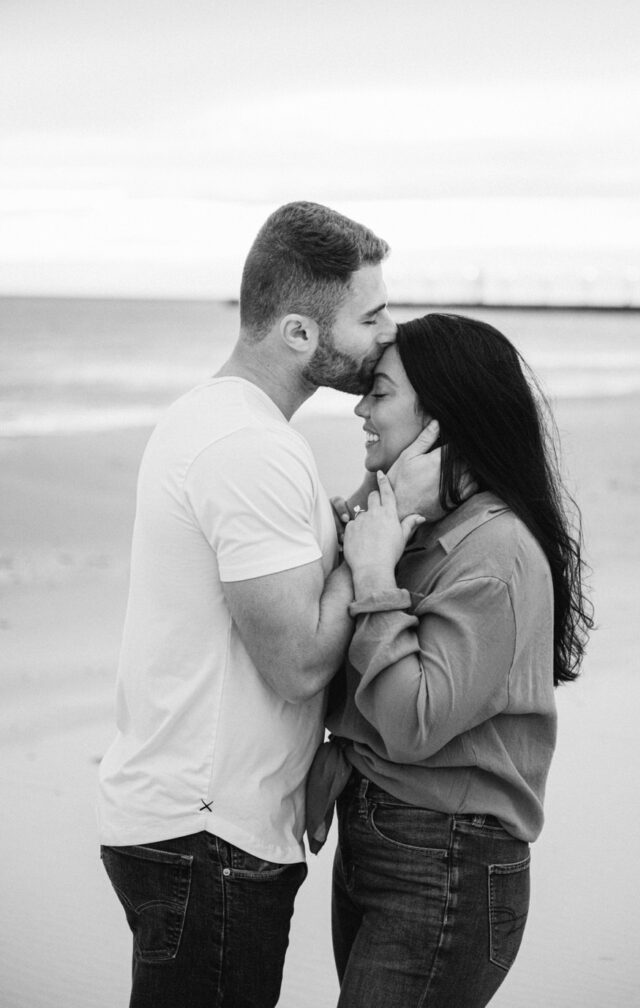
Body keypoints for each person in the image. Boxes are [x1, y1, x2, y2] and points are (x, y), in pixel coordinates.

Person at [97, 201, 439, 1008]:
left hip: (195, 829)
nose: (388, 333)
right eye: (371, 315)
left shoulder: (219, 422)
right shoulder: (250, 449)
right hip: (209, 837)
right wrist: (384, 540)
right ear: (298, 333)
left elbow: (297, 586)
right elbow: (296, 663)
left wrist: (379, 499)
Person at [307, 312, 594, 1008]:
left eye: (379, 393)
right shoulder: (423, 529)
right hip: (390, 844)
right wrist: (376, 508)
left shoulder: (494, 554)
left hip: (446, 861)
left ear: (441, 419)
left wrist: (376, 579)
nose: (360, 409)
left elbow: (412, 721)